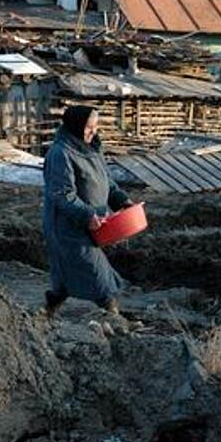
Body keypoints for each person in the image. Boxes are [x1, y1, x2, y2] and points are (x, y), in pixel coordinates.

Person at [42, 106, 133, 319]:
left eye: (95, 126)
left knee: (67, 272)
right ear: (75, 126)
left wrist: (123, 202)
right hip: (66, 225)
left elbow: (107, 183)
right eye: (88, 127)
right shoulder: (60, 154)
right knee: (94, 269)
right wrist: (86, 215)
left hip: (92, 223)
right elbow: (62, 194)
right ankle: (112, 313)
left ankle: (49, 308)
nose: (93, 131)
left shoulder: (92, 149)